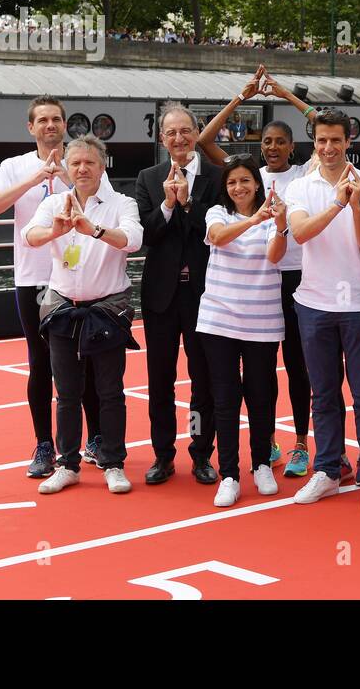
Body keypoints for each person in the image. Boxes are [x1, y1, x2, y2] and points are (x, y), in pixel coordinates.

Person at [199, 68, 318, 477]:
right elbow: (203, 141)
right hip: (256, 285)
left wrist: (283, 91)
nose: (272, 147)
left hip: (295, 276)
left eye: (281, 141)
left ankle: (302, 442)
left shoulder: (304, 175)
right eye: (266, 140)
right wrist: (241, 97)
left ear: (292, 147)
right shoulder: (247, 176)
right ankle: (266, 443)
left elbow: (322, 122)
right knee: (261, 372)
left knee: (297, 364)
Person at [0, 96, 102, 477]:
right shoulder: (13, 166)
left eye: (57, 119)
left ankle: (96, 438)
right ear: (31, 127)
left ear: (66, 126)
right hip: (33, 279)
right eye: (43, 120)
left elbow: (105, 207)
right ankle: (44, 444)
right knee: (40, 362)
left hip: (81, 280)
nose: (50, 125)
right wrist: (33, 179)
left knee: (89, 362)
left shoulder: (83, 161)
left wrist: (65, 174)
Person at [24, 136, 142, 495]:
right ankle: (67, 464)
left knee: (110, 391)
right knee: (68, 392)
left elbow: (134, 239)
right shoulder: (55, 202)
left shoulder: (122, 203)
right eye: (75, 163)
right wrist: (54, 231)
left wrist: (95, 230)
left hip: (107, 309)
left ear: (102, 165)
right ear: (67, 168)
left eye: (89, 162)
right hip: (63, 308)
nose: (82, 169)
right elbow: (30, 235)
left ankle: (114, 462)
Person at [285, 109, 360, 507]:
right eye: (321, 140)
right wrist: (335, 205)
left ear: (349, 142)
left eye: (336, 140)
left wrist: (357, 205)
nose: (328, 148)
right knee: (323, 392)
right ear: (314, 143)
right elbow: (299, 232)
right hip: (313, 302)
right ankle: (328, 468)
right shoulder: (301, 186)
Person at [134, 103, 224, 487]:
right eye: (171, 132)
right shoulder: (148, 178)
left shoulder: (218, 179)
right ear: (162, 138)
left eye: (185, 131)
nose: (179, 139)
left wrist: (188, 201)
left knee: (204, 379)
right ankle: (162, 454)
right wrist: (169, 204)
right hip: (161, 296)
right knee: (160, 380)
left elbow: (217, 228)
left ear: (196, 132)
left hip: (206, 294)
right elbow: (145, 236)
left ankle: (201, 453)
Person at [199, 155, 288, 507]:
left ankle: (262, 463)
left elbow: (275, 256)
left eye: (245, 181)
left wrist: (278, 225)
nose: (239, 187)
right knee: (224, 397)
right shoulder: (217, 213)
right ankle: (230, 474)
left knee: (261, 395)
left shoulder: (273, 216)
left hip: (262, 319)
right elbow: (218, 238)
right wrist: (254, 219)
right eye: (232, 182)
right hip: (218, 319)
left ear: (257, 184)